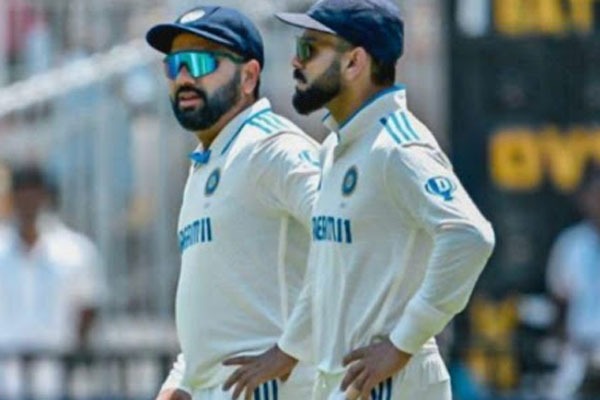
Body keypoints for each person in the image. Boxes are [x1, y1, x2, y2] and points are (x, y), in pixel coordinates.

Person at [222, 1, 495, 399]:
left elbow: (470, 236)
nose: (296, 62)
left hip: (391, 381)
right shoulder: (335, 148)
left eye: (309, 49)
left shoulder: (397, 147)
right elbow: (327, 272)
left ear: (354, 62)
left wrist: (403, 343)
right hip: (347, 380)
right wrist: (289, 350)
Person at [145, 5, 321, 400]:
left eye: (201, 63)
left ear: (249, 76)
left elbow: (350, 241)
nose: (184, 78)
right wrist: (181, 382)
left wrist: (292, 348)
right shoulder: (206, 161)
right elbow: (219, 307)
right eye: (174, 66)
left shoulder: (273, 147)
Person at [0, 164, 106, 398]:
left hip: (58, 380)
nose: (28, 200)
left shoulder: (76, 251)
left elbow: (88, 309)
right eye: (21, 193)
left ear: (46, 196)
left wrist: (74, 357)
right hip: (5, 381)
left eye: (34, 192)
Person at [546, 161, 600, 400]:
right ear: (584, 199)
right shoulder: (570, 244)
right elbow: (559, 303)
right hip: (579, 355)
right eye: (595, 195)